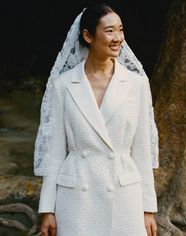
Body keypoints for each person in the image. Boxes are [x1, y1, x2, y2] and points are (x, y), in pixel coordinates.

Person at [33, 3, 159, 236]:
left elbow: (142, 151)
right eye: (109, 31)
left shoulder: (137, 84)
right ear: (88, 36)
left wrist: (148, 209)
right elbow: (54, 152)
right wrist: (47, 209)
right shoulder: (63, 85)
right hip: (76, 200)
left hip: (124, 196)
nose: (118, 38)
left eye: (120, 30)